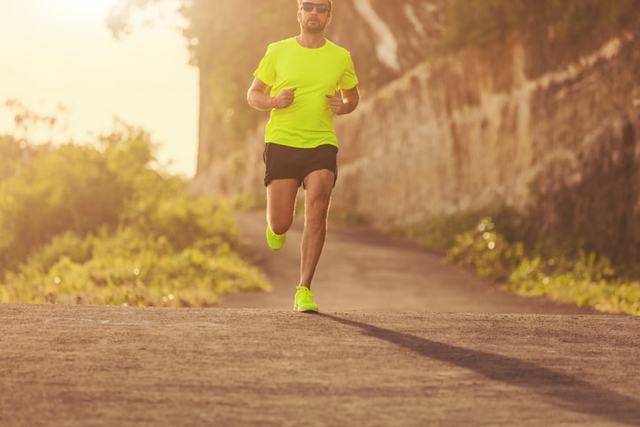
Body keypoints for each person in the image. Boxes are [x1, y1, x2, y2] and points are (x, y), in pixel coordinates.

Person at [246, 0, 360, 312]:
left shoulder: (340, 57)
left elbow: (352, 96)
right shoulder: (278, 50)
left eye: (320, 8)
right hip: (282, 142)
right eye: (308, 6)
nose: (314, 12)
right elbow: (252, 95)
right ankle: (276, 228)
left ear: (328, 15)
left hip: (321, 142)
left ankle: (304, 289)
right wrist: (273, 101)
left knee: (319, 200)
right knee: (282, 223)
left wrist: (344, 106)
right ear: (298, 13)